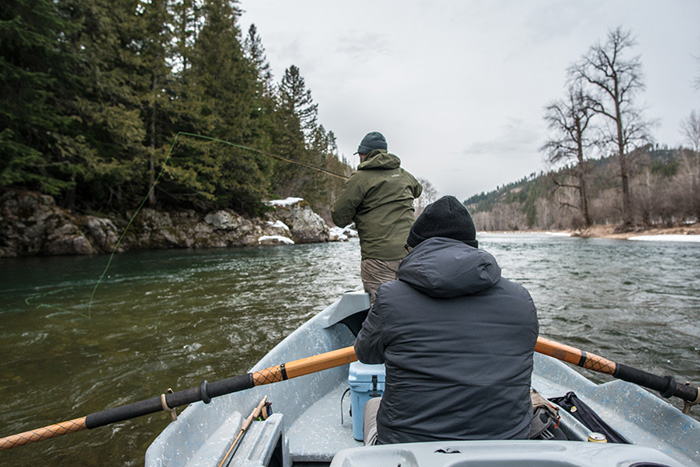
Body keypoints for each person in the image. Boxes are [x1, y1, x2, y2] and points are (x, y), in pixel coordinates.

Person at [355, 195, 539, 445]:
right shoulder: (521, 300)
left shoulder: (390, 298)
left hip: (410, 450)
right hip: (504, 449)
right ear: (471, 246)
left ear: (416, 248)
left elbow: (366, 354)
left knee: (372, 406)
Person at [331, 132, 422, 302]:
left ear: (364, 154)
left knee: (383, 310)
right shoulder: (404, 175)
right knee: (411, 305)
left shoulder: (359, 178)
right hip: (411, 253)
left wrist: (358, 211)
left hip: (379, 258)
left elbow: (339, 217)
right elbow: (418, 190)